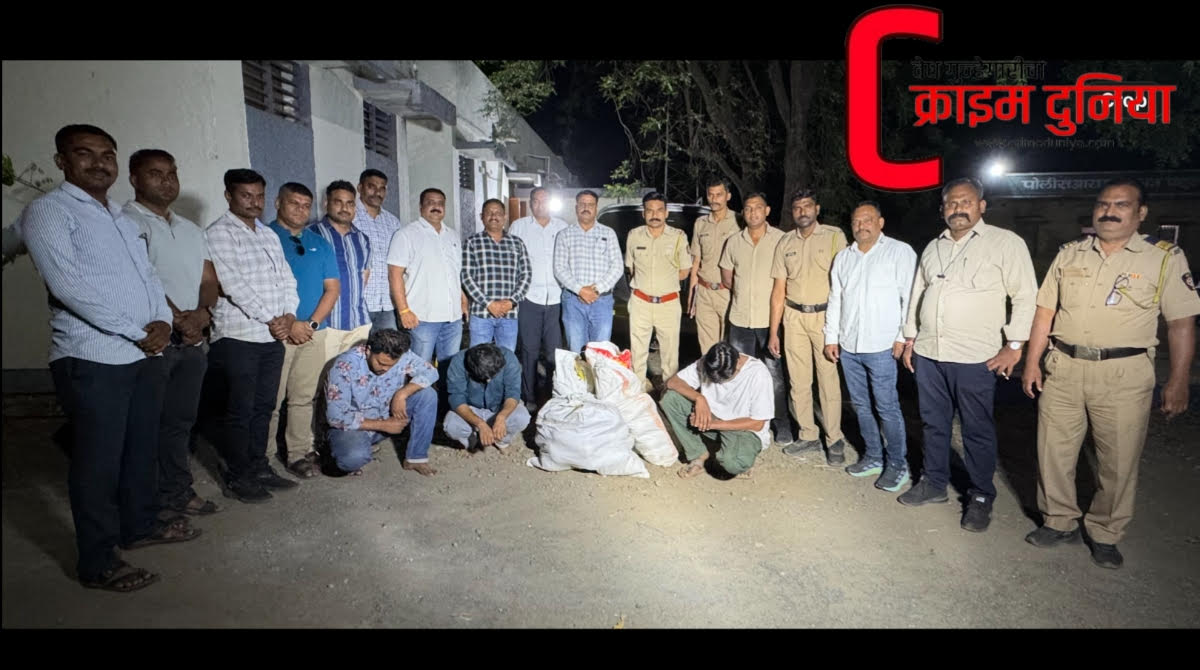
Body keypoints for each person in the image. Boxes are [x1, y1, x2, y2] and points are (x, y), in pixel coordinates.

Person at [21, 124, 197, 593]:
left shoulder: (120, 216)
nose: (99, 163)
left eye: (107, 154)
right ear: (61, 161)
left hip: (144, 354)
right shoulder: (49, 211)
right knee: (98, 463)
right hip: (92, 357)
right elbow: (67, 287)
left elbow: (148, 276)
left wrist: (162, 321)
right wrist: (138, 332)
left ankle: (139, 526)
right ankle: (97, 561)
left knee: (140, 451)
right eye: (85, 153)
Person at [1022, 178, 1200, 568]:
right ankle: (1058, 520)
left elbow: (1181, 323)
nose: (1110, 211)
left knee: (1118, 460)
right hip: (1064, 367)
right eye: (1103, 204)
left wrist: (1178, 380)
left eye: (1121, 204)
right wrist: (1032, 362)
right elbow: (1045, 312)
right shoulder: (1070, 254)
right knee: (1053, 452)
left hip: (1123, 374)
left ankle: (1105, 532)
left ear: (1140, 213)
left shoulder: (1164, 258)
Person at [899, 177, 1037, 533]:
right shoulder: (933, 247)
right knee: (933, 423)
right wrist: (910, 338)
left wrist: (1015, 345)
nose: (958, 208)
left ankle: (980, 495)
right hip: (930, 352)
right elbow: (918, 294)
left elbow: (1025, 296)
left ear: (981, 206)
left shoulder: (1005, 243)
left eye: (966, 202)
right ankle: (933, 482)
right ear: (942, 209)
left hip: (976, 357)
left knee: (976, 428)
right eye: (951, 203)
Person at [123, 148, 221, 515]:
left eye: (172, 174)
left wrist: (202, 314)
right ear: (134, 179)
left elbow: (208, 279)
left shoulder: (191, 230)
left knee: (179, 423)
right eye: (156, 173)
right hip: (151, 341)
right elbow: (139, 278)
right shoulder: (124, 222)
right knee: (144, 426)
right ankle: (145, 506)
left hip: (191, 342)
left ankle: (177, 492)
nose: (166, 181)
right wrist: (178, 318)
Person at [206, 169, 301, 502]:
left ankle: (259, 466)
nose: (254, 202)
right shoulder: (219, 233)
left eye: (259, 195)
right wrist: (272, 319)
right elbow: (232, 285)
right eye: (246, 195)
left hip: (272, 337)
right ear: (228, 195)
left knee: (264, 407)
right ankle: (238, 475)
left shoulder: (268, 234)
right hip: (239, 336)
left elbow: (287, 280)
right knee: (240, 410)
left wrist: (289, 315)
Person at [822, 201, 917, 492]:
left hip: (882, 345)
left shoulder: (899, 252)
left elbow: (910, 297)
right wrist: (831, 337)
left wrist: (903, 336)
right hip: (850, 345)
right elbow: (836, 299)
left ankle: (898, 464)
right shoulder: (844, 258)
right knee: (862, 406)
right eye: (857, 221)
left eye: (868, 220)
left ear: (880, 222)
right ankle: (873, 457)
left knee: (887, 406)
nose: (862, 225)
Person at [768, 189, 849, 463]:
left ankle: (834, 438)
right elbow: (778, 289)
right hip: (793, 317)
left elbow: (844, 283)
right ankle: (808, 435)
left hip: (824, 317)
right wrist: (774, 332)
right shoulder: (785, 242)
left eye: (807, 206)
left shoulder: (834, 236)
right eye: (797, 207)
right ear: (792, 212)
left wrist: (839, 325)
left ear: (817, 208)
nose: (802, 211)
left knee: (828, 380)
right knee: (799, 381)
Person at [266, 182, 339, 478]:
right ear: (278, 203)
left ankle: (297, 452)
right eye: (293, 203)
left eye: (306, 205)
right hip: (276, 332)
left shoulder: (319, 243)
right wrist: (289, 324)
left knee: (303, 396)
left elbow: (332, 289)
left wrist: (310, 324)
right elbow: (261, 288)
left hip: (313, 332)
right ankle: (263, 458)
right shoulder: (265, 237)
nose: (300, 210)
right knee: (271, 401)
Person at [718, 192, 794, 447]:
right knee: (739, 374)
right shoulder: (734, 242)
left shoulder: (781, 239)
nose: (753, 213)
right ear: (743, 213)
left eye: (758, 208)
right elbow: (727, 277)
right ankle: (743, 422)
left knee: (774, 375)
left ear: (767, 210)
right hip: (740, 319)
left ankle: (781, 423)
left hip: (769, 320)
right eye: (748, 208)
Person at [324, 328, 439, 476]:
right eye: (381, 363)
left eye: (391, 365)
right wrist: (384, 425)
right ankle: (335, 451)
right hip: (355, 427)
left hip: (386, 418)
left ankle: (415, 458)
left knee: (427, 395)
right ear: (368, 350)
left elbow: (431, 372)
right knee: (353, 458)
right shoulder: (344, 365)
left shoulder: (402, 355)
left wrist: (401, 394)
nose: (385, 369)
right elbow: (335, 417)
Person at [663, 342, 776, 479]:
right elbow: (672, 382)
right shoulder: (709, 361)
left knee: (733, 464)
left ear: (737, 364)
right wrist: (699, 398)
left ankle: (745, 456)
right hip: (713, 420)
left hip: (743, 430)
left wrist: (713, 424)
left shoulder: (758, 373)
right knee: (671, 399)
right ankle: (698, 455)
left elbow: (757, 424)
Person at [387, 188, 466, 371]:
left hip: (453, 318)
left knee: (450, 370)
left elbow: (452, 273)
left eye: (440, 203)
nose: (436, 207)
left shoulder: (452, 235)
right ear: (421, 206)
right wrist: (404, 311)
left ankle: (443, 393)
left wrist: (462, 298)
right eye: (431, 202)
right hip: (422, 318)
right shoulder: (406, 235)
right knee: (420, 370)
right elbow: (394, 275)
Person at [625, 191, 691, 392]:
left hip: (668, 303)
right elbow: (631, 268)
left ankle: (669, 392)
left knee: (670, 355)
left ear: (666, 212)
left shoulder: (678, 237)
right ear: (643, 213)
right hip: (640, 302)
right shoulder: (634, 235)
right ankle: (638, 391)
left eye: (659, 210)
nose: (655, 215)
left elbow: (684, 271)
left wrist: (663, 284)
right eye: (650, 210)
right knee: (638, 352)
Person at [511, 187, 569, 407]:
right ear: (531, 203)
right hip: (529, 298)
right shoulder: (519, 227)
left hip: (556, 299)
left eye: (545, 201)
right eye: (536, 201)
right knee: (529, 351)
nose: (540, 205)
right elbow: (513, 261)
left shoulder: (562, 227)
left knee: (555, 353)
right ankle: (530, 398)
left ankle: (555, 397)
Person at [553, 189, 625, 354]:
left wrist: (596, 289)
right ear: (576, 207)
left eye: (590, 204)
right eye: (582, 204)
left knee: (601, 353)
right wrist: (580, 290)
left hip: (602, 301)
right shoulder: (564, 234)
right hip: (573, 301)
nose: (586, 208)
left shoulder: (608, 233)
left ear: (596, 207)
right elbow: (559, 268)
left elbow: (617, 266)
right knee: (576, 352)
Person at [310, 180, 374, 357]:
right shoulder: (312, 235)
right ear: (326, 203)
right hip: (325, 325)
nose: (344, 208)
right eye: (338, 202)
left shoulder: (362, 239)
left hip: (359, 324)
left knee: (354, 372)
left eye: (350, 203)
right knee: (323, 374)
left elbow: (364, 278)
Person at [462, 199, 531, 351]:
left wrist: (511, 302)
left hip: (509, 314)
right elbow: (466, 277)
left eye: (498, 213)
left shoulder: (517, 243)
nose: (494, 216)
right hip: (481, 313)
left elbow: (526, 275)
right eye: (489, 213)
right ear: (482, 217)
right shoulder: (472, 242)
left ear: (505, 217)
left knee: (506, 358)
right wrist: (489, 303)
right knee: (478, 359)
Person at [442, 343, 532, 451]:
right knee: (451, 426)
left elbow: (513, 393)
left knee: (522, 417)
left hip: (499, 407)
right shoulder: (458, 362)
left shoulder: (509, 358)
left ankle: (501, 439)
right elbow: (457, 398)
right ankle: (472, 440)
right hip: (471, 408)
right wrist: (480, 424)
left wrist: (502, 417)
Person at [688, 177, 739, 356]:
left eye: (719, 194)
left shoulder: (739, 222)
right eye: (711, 195)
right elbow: (696, 261)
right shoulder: (700, 223)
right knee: (707, 349)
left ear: (728, 196)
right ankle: (710, 375)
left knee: (729, 347)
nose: (714, 199)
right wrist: (692, 295)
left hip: (728, 293)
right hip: (704, 292)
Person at [353, 169, 405, 334]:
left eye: (382, 188)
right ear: (360, 188)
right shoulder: (350, 217)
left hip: (386, 304)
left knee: (389, 347)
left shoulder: (393, 222)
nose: (377, 192)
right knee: (356, 348)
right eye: (371, 186)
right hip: (357, 303)